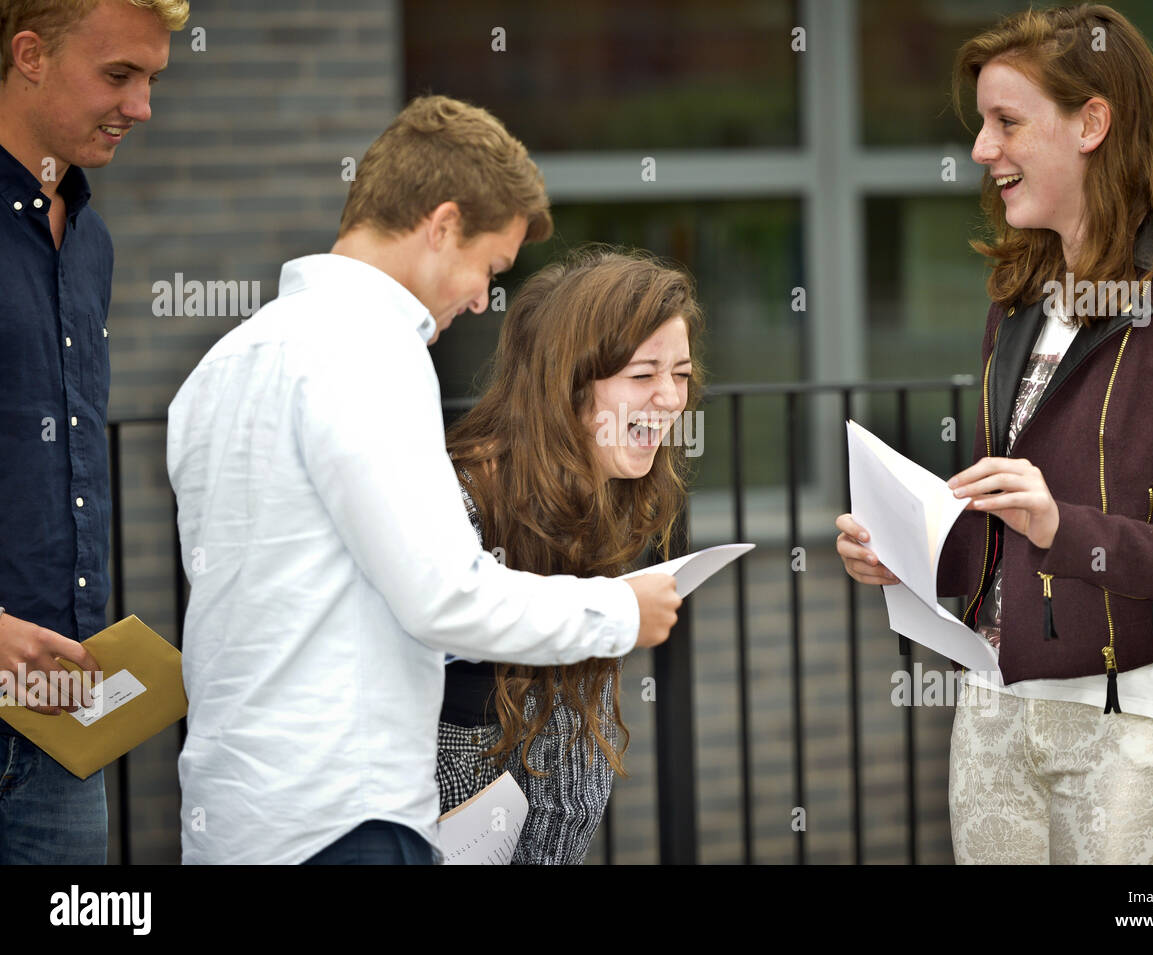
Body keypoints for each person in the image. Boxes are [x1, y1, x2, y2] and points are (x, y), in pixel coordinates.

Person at [167, 96, 682, 865]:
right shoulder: (371, 352)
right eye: (488, 267)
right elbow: (444, 593)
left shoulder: (220, 365)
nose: (480, 298)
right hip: (347, 822)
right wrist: (617, 609)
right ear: (440, 226)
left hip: (235, 818)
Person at [835, 3, 1153, 865]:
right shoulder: (1019, 300)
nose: (980, 151)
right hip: (997, 708)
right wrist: (915, 554)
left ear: (1092, 123)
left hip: (1142, 728)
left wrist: (1063, 528)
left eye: (1007, 122)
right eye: (981, 126)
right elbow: (1012, 526)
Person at [438, 247, 701, 864]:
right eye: (643, 375)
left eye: (682, 374)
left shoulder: (599, 497)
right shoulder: (461, 510)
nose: (669, 398)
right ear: (569, 384)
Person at [0, 0, 188, 865]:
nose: (142, 106)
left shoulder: (92, 240)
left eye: (151, 78)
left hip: (61, 714)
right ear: (29, 54)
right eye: (120, 75)